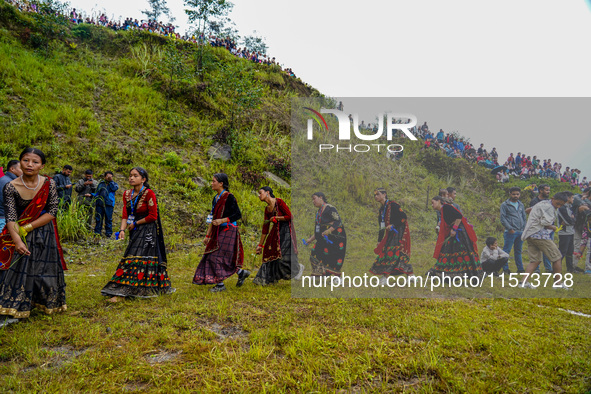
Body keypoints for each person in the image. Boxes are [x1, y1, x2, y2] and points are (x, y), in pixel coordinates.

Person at [0, 148, 67, 327]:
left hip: (44, 231)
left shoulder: (48, 184)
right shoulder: (11, 187)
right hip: (17, 232)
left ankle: (43, 302)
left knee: (44, 268)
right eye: (26, 160)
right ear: (19, 162)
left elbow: (52, 211)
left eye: (35, 162)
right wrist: (18, 240)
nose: (30, 165)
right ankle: (14, 306)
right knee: (18, 267)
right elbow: (11, 217)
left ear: (42, 165)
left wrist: (27, 228)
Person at [101, 167, 173, 301]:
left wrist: (136, 223)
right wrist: (122, 230)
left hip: (148, 230)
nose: (131, 178)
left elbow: (153, 216)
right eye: (130, 175)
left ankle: (124, 292)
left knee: (135, 258)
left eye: (135, 176)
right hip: (134, 230)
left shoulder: (149, 193)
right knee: (133, 257)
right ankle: (131, 288)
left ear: (143, 179)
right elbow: (125, 214)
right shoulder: (127, 194)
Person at [193, 173, 249, 292]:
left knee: (215, 255)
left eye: (214, 181)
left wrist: (222, 220)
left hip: (229, 229)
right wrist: (208, 235)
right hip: (218, 229)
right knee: (216, 255)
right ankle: (241, 272)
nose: (211, 183)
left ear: (221, 183)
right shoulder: (215, 198)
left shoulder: (229, 197)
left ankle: (220, 285)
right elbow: (212, 217)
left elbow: (237, 215)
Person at [253, 186, 303, 285]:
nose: (259, 196)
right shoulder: (267, 209)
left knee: (283, 255)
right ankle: (270, 278)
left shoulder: (279, 202)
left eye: (260, 193)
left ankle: (297, 267)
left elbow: (289, 216)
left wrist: (276, 217)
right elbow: (265, 228)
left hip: (286, 231)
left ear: (268, 192)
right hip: (276, 232)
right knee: (270, 251)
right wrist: (260, 245)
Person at [520, 192, 570, 289]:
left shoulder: (542, 203)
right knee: (557, 257)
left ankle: (523, 283)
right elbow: (545, 223)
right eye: (557, 204)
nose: (558, 206)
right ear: (553, 198)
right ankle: (558, 284)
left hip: (530, 234)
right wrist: (554, 227)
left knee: (535, 260)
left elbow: (529, 210)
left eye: (561, 205)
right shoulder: (549, 207)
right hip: (539, 235)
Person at [427, 196, 481, 277]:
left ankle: (469, 273)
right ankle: (443, 272)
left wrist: (454, 229)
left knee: (462, 252)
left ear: (438, 201)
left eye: (433, 202)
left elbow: (459, 216)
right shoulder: (443, 210)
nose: (432, 205)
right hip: (454, 231)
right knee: (449, 251)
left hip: (459, 232)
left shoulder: (446, 207)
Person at [369, 188, 413, 281]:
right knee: (389, 252)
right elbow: (381, 227)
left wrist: (393, 225)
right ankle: (410, 275)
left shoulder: (393, 205)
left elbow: (403, 217)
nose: (376, 197)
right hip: (390, 233)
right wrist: (379, 240)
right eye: (375, 195)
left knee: (391, 252)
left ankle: (386, 277)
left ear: (384, 194)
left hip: (399, 231)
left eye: (378, 194)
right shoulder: (381, 210)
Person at [304, 192, 347, 277]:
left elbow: (338, 221)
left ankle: (337, 277)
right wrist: (310, 239)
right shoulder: (318, 212)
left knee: (334, 256)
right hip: (324, 238)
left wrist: (329, 231)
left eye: (314, 198)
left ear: (321, 197)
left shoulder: (330, 208)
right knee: (315, 253)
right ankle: (318, 274)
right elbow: (318, 229)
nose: (313, 201)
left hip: (336, 237)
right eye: (312, 199)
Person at [525, 184, 553, 273]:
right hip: (538, 228)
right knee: (536, 249)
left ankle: (548, 268)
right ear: (541, 190)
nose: (548, 192)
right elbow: (533, 214)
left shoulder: (549, 201)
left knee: (547, 248)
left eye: (549, 190)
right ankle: (536, 269)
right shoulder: (535, 201)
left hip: (549, 227)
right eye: (546, 190)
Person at [500, 187, 527, 274]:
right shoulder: (505, 205)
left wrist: (524, 228)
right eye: (514, 194)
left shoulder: (521, 204)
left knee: (518, 251)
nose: (516, 196)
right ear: (510, 194)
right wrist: (510, 228)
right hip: (510, 232)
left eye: (517, 194)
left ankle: (520, 269)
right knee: (506, 251)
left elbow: (524, 217)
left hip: (520, 231)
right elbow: (503, 218)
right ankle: (505, 269)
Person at [557, 191, 579, 273]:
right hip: (564, 233)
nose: (573, 199)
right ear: (568, 198)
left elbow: (574, 219)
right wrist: (572, 220)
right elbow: (568, 220)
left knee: (570, 251)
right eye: (572, 197)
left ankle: (570, 268)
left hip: (571, 232)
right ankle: (556, 268)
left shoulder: (570, 207)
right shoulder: (562, 208)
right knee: (562, 251)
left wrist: (572, 220)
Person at [94, 171, 119, 238]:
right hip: (100, 203)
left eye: (110, 176)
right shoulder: (101, 183)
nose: (109, 178)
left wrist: (111, 182)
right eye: (108, 176)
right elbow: (97, 192)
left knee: (108, 219)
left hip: (109, 203)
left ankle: (108, 233)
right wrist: (93, 197)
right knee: (99, 218)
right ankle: (97, 232)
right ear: (105, 177)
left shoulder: (114, 184)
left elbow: (114, 188)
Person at [0, 160, 23, 231]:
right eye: (21, 168)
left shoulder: (4, 179)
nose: (23, 171)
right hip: (4, 219)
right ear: (12, 169)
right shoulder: (8, 182)